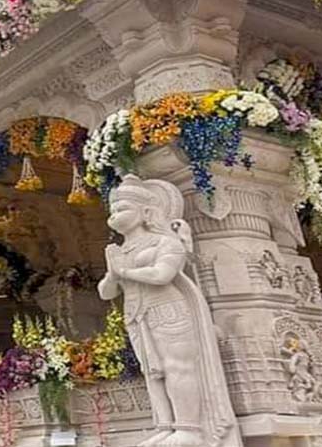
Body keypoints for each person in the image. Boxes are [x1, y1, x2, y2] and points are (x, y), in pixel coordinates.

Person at [97, 174, 240, 447]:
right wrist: (114, 274)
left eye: (123, 208)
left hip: (168, 309)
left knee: (178, 367)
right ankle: (165, 425)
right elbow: (106, 292)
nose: (115, 216)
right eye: (113, 210)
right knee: (153, 371)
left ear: (146, 212)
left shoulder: (164, 241)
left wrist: (124, 271)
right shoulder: (119, 250)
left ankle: (190, 428)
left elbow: (163, 274)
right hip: (137, 313)